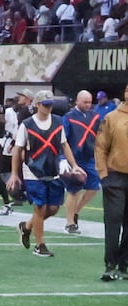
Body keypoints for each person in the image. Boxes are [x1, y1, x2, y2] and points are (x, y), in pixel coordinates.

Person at [8, 89, 85, 258]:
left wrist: (74, 165)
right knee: (40, 207)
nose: (49, 108)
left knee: (53, 208)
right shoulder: (27, 124)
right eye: (45, 104)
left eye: (51, 105)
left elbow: (64, 145)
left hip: (53, 170)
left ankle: (26, 227)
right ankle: (40, 244)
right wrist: (14, 174)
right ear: (37, 105)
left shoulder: (58, 122)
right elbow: (17, 149)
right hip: (33, 171)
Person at [93, 82, 128, 280]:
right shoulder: (112, 117)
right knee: (113, 221)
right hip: (115, 176)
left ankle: (124, 264)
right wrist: (103, 173)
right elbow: (100, 147)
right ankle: (110, 264)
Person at [61, 90, 101, 234]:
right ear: (77, 101)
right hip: (74, 158)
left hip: (89, 157)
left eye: (90, 102)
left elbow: (100, 135)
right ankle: (70, 223)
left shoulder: (95, 116)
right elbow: (63, 140)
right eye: (85, 102)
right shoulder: (69, 117)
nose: (88, 105)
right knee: (74, 190)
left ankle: (76, 211)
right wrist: (64, 159)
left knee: (94, 187)